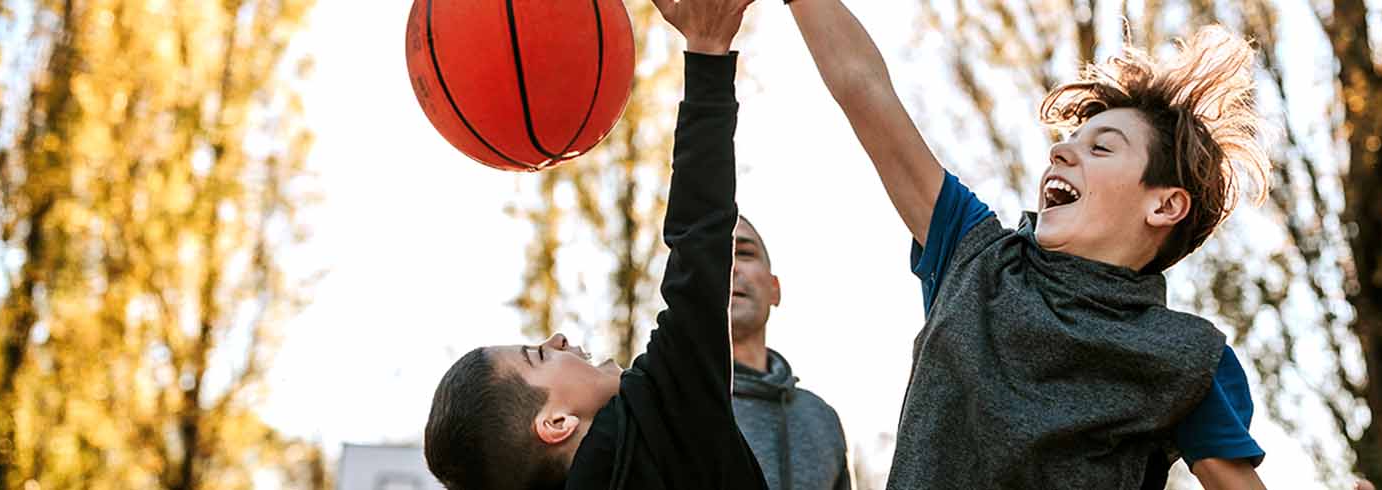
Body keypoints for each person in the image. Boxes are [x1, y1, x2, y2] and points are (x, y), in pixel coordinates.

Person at [785, 1, 1271, 488]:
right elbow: (863, 89)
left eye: (1100, 147)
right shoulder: (973, 256)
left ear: (1165, 206)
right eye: (1069, 141)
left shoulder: (1187, 358)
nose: (1060, 151)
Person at [421, 0, 767, 487]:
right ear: (556, 424)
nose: (557, 339)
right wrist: (706, 51)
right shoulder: (660, 423)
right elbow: (700, 240)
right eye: (538, 355)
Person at [729, 215, 852, 490]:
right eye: (717, 255)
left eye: (745, 253)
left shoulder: (821, 419)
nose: (730, 267)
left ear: (775, 290)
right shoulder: (658, 403)